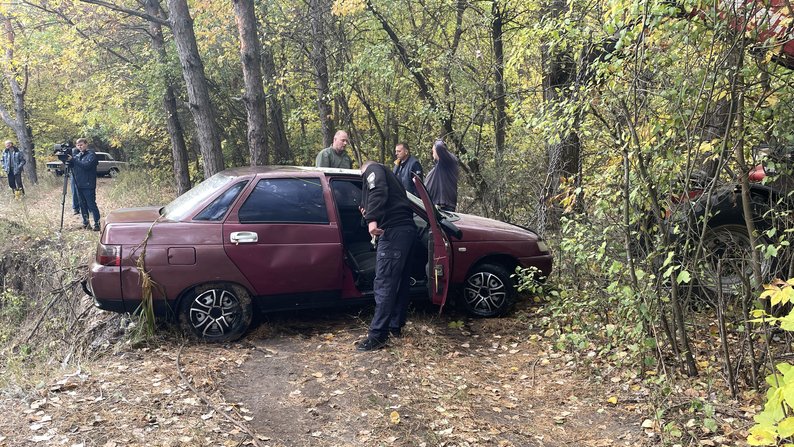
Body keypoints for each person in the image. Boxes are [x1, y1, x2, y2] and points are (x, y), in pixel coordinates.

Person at [357, 161, 418, 351]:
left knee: (384, 283)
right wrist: (367, 211)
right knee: (399, 283)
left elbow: (378, 190)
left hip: (393, 232)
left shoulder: (372, 170)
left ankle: (377, 336)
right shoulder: (394, 177)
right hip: (406, 231)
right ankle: (394, 326)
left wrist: (371, 220)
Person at [68, 138, 101, 231]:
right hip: (79, 184)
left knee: (91, 205)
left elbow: (86, 166)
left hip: (88, 184)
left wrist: (73, 159)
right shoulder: (77, 155)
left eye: (81, 145)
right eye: (78, 145)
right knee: (82, 205)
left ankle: (97, 224)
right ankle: (86, 223)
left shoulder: (91, 155)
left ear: (86, 144)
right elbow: (72, 166)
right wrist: (67, 160)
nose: (80, 147)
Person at [424, 139, 459, 211]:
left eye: (433, 151)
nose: (432, 153)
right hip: (434, 206)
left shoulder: (449, 161)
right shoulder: (438, 167)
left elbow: (439, 146)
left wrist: (437, 141)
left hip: (444, 206)